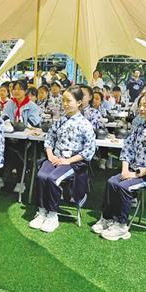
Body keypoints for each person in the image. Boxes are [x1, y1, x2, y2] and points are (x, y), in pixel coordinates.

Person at [92, 90, 146, 241]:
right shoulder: (139, 128)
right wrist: (125, 170)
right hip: (134, 170)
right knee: (111, 182)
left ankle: (121, 226)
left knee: (124, 187)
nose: (141, 108)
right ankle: (107, 218)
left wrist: (134, 174)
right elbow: (127, 149)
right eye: (140, 105)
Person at [29, 85, 96, 233]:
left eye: (68, 100)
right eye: (63, 100)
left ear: (79, 102)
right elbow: (49, 138)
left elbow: (89, 150)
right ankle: (41, 211)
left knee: (53, 179)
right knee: (41, 176)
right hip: (55, 158)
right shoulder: (60, 121)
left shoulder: (85, 124)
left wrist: (68, 161)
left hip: (73, 163)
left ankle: (53, 215)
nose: (65, 103)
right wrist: (50, 154)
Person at [1, 80, 43, 192]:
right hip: (9, 136)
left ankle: (21, 181)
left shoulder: (32, 106)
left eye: (20, 89)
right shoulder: (9, 104)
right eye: (14, 89)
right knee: (1, 149)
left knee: (20, 152)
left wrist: (21, 126)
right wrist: (9, 124)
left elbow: (33, 121)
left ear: (25, 91)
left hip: (25, 139)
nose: (16, 91)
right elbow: (4, 116)